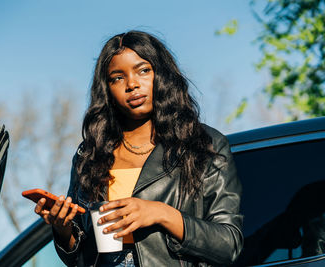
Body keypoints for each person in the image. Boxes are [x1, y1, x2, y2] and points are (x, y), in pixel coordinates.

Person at [34, 31, 243, 267]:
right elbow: (82, 258)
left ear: (162, 75)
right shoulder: (90, 155)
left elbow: (229, 243)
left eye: (143, 70)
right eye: (117, 78)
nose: (132, 84)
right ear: (107, 90)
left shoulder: (203, 144)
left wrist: (161, 213)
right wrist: (64, 231)